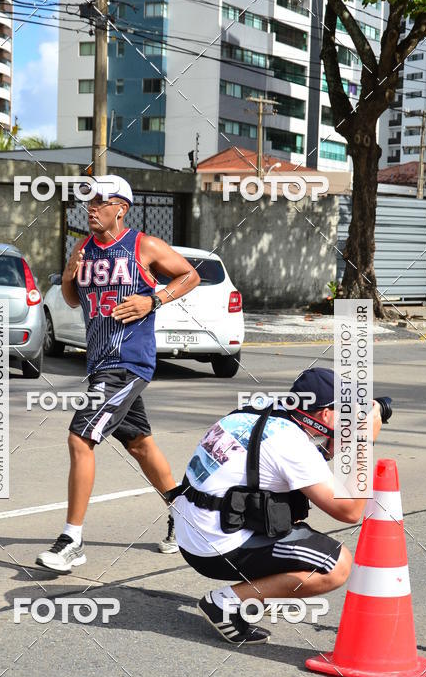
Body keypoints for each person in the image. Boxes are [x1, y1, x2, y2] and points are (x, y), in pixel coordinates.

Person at [37, 175, 200, 573]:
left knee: (80, 437)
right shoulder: (83, 248)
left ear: (120, 208)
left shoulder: (143, 246)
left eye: (98, 201)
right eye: (86, 202)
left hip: (128, 362)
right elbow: (75, 300)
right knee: (140, 444)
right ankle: (189, 517)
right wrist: (68, 278)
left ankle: (71, 540)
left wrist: (152, 300)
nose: (89, 208)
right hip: (99, 360)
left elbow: (190, 275)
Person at [172, 367, 383, 644]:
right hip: (215, 548)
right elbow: (350, 511)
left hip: (191, 534)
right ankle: (224, 604)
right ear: (327, 414)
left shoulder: (261, 411)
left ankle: (253, 592)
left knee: (292, 514)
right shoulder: (290, 442)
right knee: (335, 564)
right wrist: (364, 441)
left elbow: (322, 454)